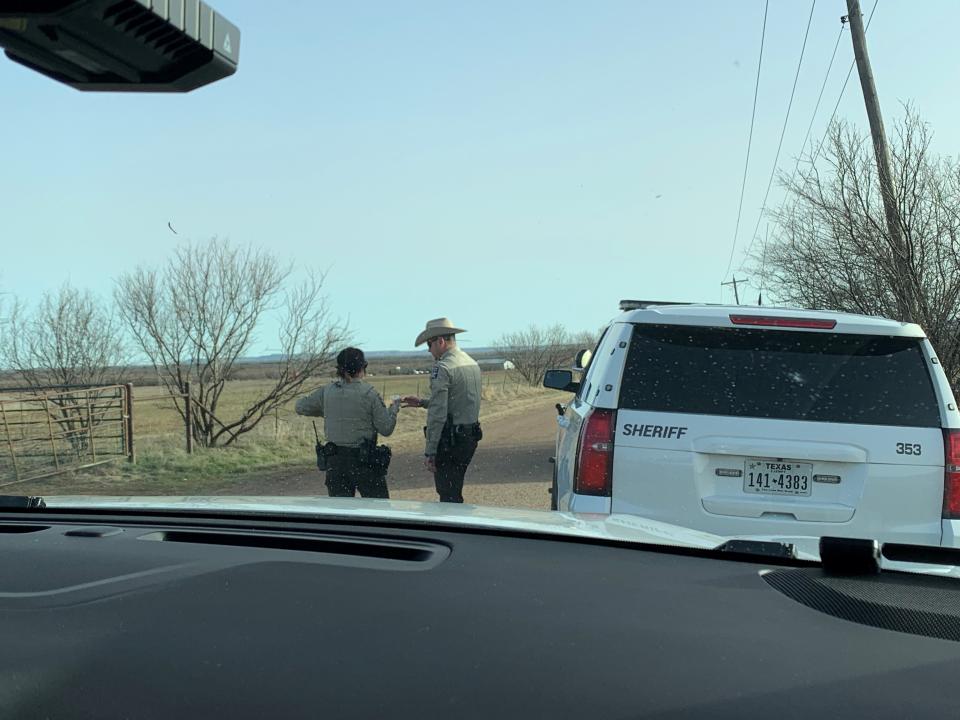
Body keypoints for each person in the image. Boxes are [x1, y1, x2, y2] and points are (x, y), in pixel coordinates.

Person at [295, 347, 400, 498]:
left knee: (342, 513)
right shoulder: (369, 393)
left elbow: (300, 407)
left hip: (335, 463)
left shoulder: (327, 391)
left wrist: (326, 410)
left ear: (339, 369)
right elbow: (386, 428)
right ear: (362, 368)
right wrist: (394, 408)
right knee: (379, 511)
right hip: (364, 462)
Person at [402, 318, 482, 503]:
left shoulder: (443, 367)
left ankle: (454, 529)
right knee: (455, 489)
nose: (429, 350)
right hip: (469, 437)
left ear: (440, 341)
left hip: (451, 441)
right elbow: (457, 401)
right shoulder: (471, 363)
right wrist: (423, 402)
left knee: (448, 496)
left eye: (429, 344)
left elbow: (438, 414)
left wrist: (430, 451)